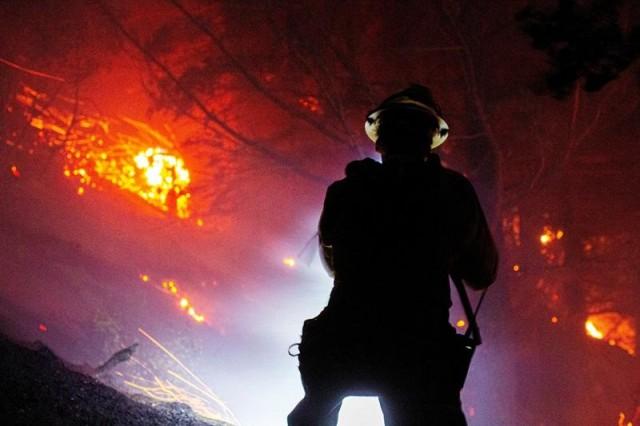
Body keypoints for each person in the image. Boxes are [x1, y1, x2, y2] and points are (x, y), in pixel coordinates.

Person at [288, 85, 498, 426]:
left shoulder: (344, 192)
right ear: (430, 140)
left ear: (380, 139)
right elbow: (481, 272)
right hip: (419, 349)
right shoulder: (453, 192)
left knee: (315, 411)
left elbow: (333, 266)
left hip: (345, 341)